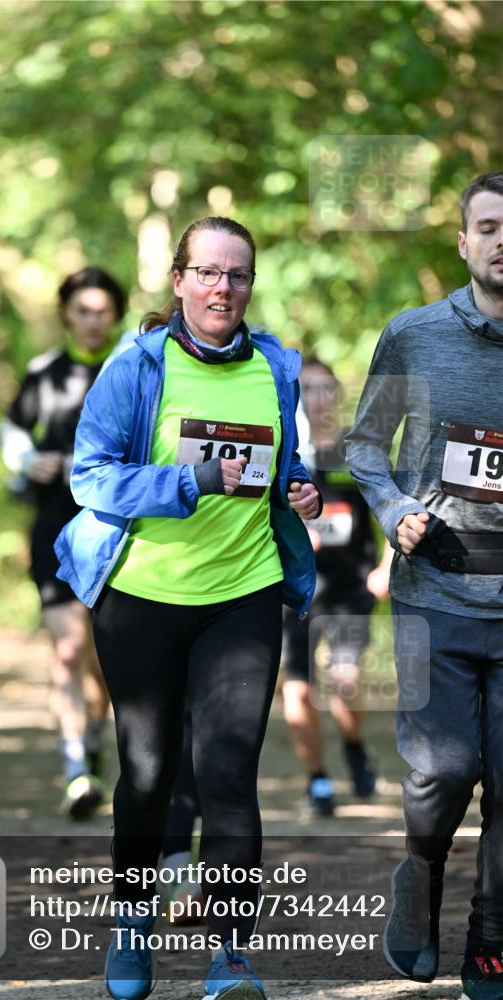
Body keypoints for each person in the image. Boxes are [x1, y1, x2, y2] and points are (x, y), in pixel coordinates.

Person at [55, 216, 321, 1000]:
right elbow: (90, 475)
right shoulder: (137, 366)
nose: (222, 288)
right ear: (178, 281)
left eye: (236, 275)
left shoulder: (274, 367)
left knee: (229, 772)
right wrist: (186, 483)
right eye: (207, 272)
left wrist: (299, 487)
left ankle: (230, 955)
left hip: (243, 593)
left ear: (249, 285)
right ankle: (132, 921)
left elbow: (282, 465)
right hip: (142, 596)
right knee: (145, 773)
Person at [345, 172, 503, 999]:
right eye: (489, 226)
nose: (502, 241)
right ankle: (420, 873)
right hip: (432, 593)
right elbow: (364, 444)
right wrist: (393, 508)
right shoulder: (413, 336)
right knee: (441, 772)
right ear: (463, 240)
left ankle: (492, 933)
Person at [1, 267, 125, 819]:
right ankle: (75, 768)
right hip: (54, 529)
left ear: (115, 315)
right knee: (68, 649)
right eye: (82, 310)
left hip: (117, 534)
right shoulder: (43, 372)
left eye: (102, 311)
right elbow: (12, 429)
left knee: (101, 658)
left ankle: (92, 742)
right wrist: (29, 460)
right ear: (66, 314)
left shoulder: (131, 367)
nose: (92, 320)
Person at [282, 357, 392, 817]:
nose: (318, 398)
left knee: (345, 681)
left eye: (326, 388)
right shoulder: (284, 450)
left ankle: (353, 745)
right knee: (298, 691)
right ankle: (317, 780)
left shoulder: (357, 451)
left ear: (338, 395)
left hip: (349, 590)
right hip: (294, 591)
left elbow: (392, 508)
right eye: (307, 389)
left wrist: (386, 566)